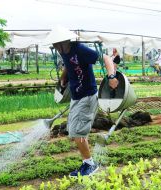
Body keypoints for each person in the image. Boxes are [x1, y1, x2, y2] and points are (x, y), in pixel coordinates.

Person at [46, 26, 118, 176]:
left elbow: (105, 58)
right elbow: (68, 64)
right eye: (53, 45)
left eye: (56, 44)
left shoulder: (80, 49)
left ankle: (90, 165)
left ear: (64, 42)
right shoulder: (64, 52)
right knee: (74, 131)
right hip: (76, 97)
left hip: (87, 96)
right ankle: (87, 162)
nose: (55, 48)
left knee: (78, 133)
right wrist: (63, 78)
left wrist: (111, 77)